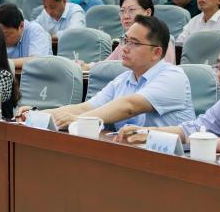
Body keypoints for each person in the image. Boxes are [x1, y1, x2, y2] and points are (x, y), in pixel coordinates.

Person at [31, 16, 194, 130]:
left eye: (134, 43)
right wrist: (35, 115)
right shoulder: (123, 79)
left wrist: (80, 120)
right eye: (125, 40)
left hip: (171, 158)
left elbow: (130, 106)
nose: (125, 48)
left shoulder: (173, 76)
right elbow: (84, 108)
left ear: (156, 53)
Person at [103, 0, 177, 65]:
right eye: (122, 11)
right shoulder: (125, 39)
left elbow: (165, 69)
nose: (125, 16)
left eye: (131, 10)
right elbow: (106, 65)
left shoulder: (161, 39)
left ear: (147, 12)